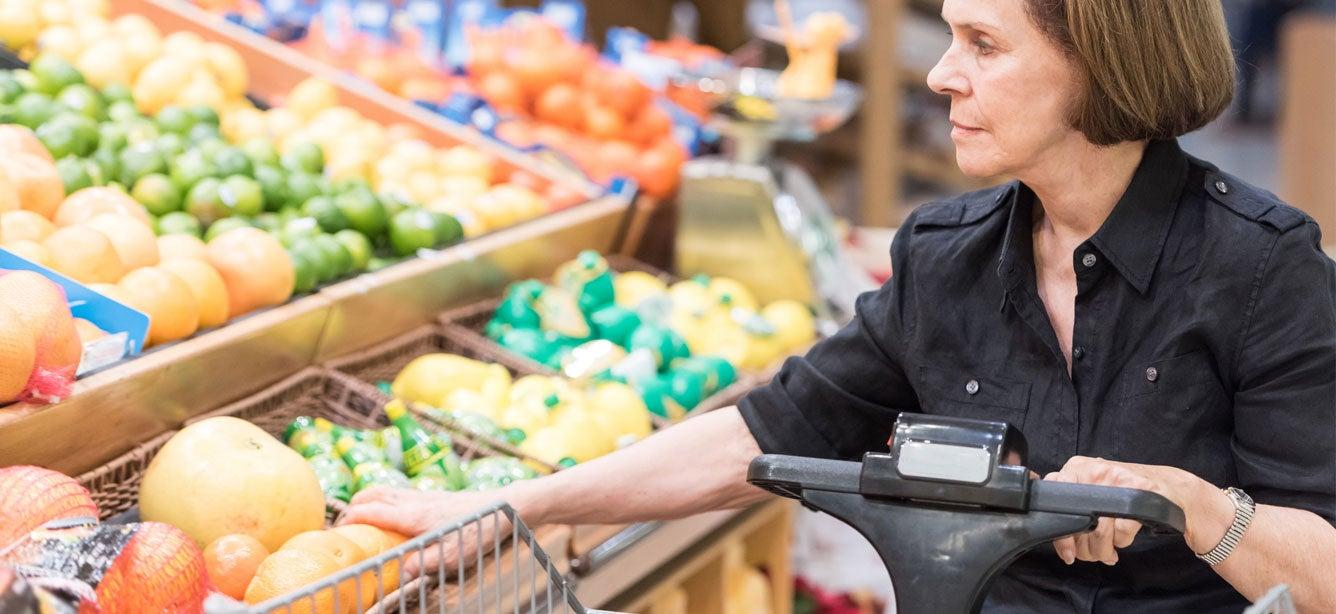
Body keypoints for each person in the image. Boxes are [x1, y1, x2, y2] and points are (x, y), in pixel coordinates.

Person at [342, 0, 1336, 611]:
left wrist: (1191, 504)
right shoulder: (944, 262)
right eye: (949, 36)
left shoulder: (1261, 269)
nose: (942, 74)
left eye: (982, 44)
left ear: (1100, 63)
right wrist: (512, 505)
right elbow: (770, 427)